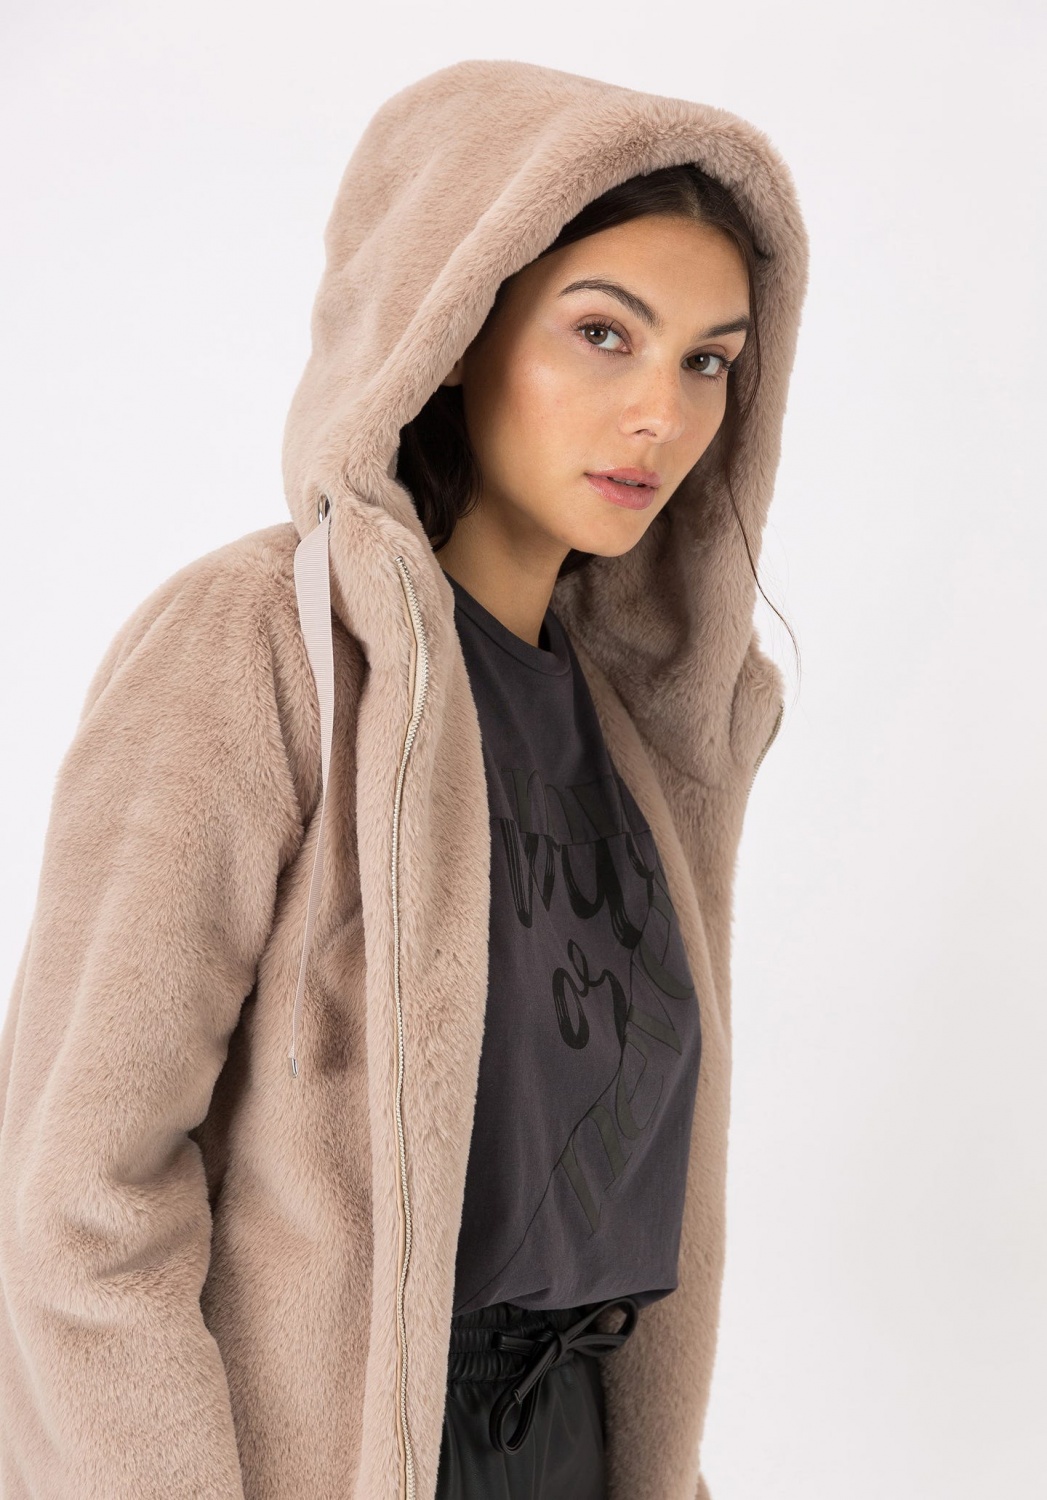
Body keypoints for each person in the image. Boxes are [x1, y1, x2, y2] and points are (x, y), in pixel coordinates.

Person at [0, 57, 808, 1500]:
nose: (663, 413)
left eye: (708, 360)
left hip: (576, 1444)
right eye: (604, 334)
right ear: (455, 326)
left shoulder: (634, 738)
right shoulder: (260, 644)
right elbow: (80, 1197)